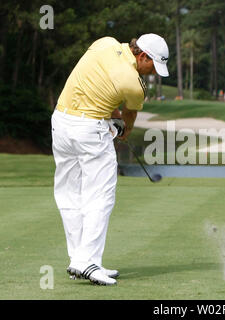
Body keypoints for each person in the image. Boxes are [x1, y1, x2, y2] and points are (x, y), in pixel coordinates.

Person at [51, 34, 169, 285]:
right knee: (100, 195)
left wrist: (111, 114)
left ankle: (79, 258)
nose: (154, 73)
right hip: (89, 131)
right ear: (143, 56)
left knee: (69, 193)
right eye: (153, 66)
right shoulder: (135, 85)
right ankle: (87, 261)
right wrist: (123, 130)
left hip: (60, 122)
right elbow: (128, 118)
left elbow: (97, 81)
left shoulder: (105, 42)